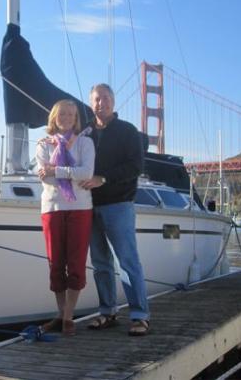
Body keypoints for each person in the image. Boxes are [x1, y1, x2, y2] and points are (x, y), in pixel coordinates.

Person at [79, 83, 150, 336]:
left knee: (128, 261)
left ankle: (140, 315)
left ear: (113, 101)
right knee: (100, 263)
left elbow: (135, 166)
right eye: (97, 99)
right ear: (91, 103)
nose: (102, 103)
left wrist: (103, 178)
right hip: (89, 205)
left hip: (118, 204)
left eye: (106, 98)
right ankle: (108, 312)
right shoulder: (84, 133)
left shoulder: (128, 131)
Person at [36, 99, 95, 336]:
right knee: (56, 265)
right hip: (51, 208)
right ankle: (60, 314)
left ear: (76, 118)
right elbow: (45, 179)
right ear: (54, 117)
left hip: (80, 208)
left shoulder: (85, 142)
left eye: (72, 113)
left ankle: (69, 316)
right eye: (62, 113)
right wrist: (66, 174)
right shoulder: (43, 145)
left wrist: (56, 170)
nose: (67, 117)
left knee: (76, 263)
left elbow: (87, 173)